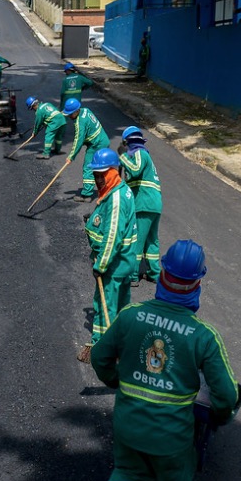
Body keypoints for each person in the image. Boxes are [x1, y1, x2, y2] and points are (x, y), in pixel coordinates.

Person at [88, 239, 240, 481]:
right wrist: (220, 416)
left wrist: (116, 380)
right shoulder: (203, 336)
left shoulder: (131, 316)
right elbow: (226, 395)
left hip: (128, 427)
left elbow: (99, 356)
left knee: (127, 474)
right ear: (198, 283)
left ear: (162, 276)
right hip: (172, 441)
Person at [83, 148, 138, 347]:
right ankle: (122, 341)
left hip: (113, 265)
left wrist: (101, 266)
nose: (98, 180)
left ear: (113, 172)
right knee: (122, 305)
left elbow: (112, 237)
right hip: (125, 262)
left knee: (105, 304)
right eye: (96, 175)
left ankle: (101, 345)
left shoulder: (116, 198)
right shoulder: (121, 190)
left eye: (102, 175)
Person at [118, 126, 162, 285]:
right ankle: (154, 273)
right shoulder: (143, 155)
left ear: (127, 142)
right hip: (153, 204)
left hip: (144, 203)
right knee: (151, 240)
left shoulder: (139, 153)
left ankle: (133, 275)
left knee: (136, 240)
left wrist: (122, 156)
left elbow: (135, 171)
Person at [62, 98, 110, 202]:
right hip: (103, 139)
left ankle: (86, 195)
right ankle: (108, 190)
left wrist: (71, 156)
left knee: (88, 167)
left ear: (76, 111)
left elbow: (78, 141)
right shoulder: (86, 110)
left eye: (70, 114)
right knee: (101, 168)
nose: (69, 117)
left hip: (96, 145)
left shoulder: (80, 123)